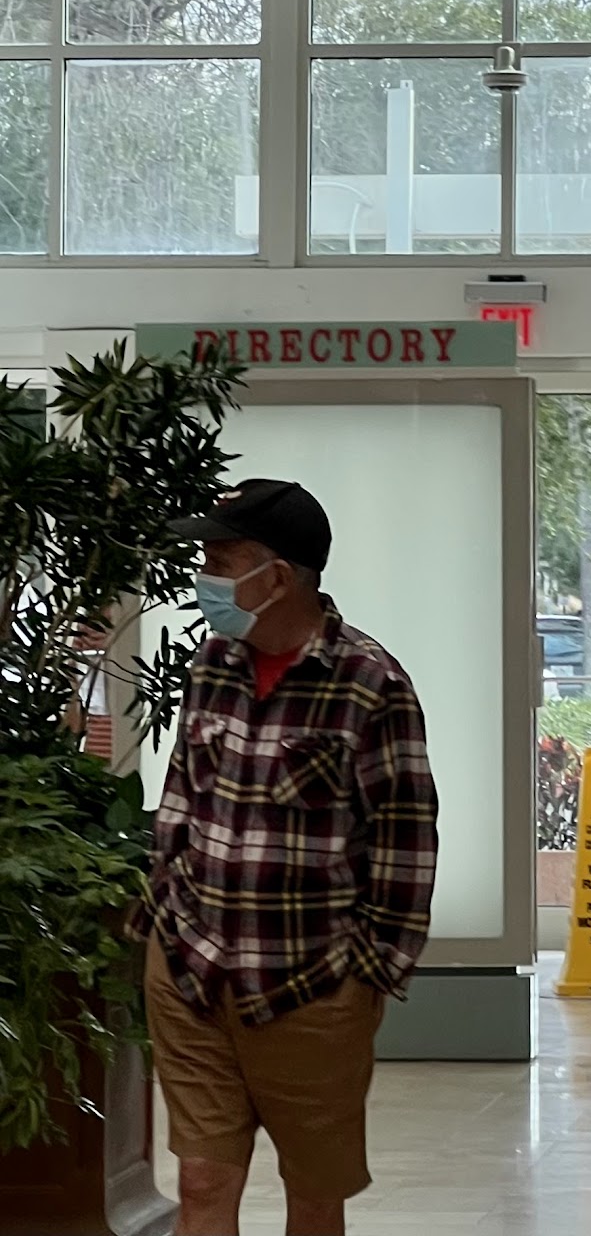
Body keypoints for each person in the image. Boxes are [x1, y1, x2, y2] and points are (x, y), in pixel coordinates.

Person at [135, 478, 439, 1236]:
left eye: (223, 560)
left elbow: (405, 838)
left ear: (279, 576)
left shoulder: (370, 684)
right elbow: (181, 797)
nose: (206, 576)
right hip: (192, 969)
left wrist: (369, 974)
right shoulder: (212, 663)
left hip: (308, 985)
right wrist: (159, 916)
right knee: (202, 1180)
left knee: (313, 1194)